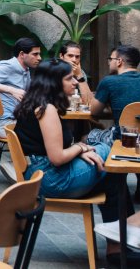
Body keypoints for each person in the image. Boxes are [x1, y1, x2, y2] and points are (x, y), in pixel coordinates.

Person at [14, 59, 135, 264]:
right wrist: (81, 147)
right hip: (50, 179)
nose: (75, 83)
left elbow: (53, 151)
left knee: (111, 175)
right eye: (69, 78)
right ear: (54, 82)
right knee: (108, 152)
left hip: (41, 173)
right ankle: (123, 240)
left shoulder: (35, 103)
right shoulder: (46, 109)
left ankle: (119, 245)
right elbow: (57, 157)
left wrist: (80, 152)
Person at [0, 37, 42, 138]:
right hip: (0, 125)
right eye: (35, 54)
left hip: (15, 121)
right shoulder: (9, 66)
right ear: (22, 54)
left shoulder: (26, 70)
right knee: (44, 135)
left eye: (39, 54)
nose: (39, 58)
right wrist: (11, 90)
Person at [58, 41, 91, 105]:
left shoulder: (80, 72)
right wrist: (78, 100)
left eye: (77, 56)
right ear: (61, 56)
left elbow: (88, 101)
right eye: (70, 56)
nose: (74, 60)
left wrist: (79, 75)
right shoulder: (54, 70)